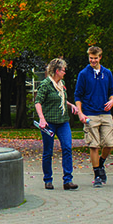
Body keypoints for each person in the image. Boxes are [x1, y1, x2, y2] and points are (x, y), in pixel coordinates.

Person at [74, 45, 113, 187]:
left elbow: (112, 91)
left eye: (95, 58)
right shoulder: (83, 74)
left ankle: (101, 163)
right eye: (91, 58)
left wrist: (112, 100)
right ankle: (97, 174)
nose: (93, 61)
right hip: (90, 114)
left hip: (105, 114)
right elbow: (78, 95)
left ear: (100, 57)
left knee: (110, 143)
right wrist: (80, 112)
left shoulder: (107, 73)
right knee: (94, 145)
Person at [35, 57, 79, 190]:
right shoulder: (46, 84)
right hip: (49, 123)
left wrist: (71, 105)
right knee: (48, 152)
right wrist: (42, 119)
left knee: (67, 147)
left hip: (63, 122)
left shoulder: (61, 84)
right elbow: (38, 102)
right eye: (63, 70)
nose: (65, 72)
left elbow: (60, 99)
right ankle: (48, 179)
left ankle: (68, 180)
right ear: (56, 71)